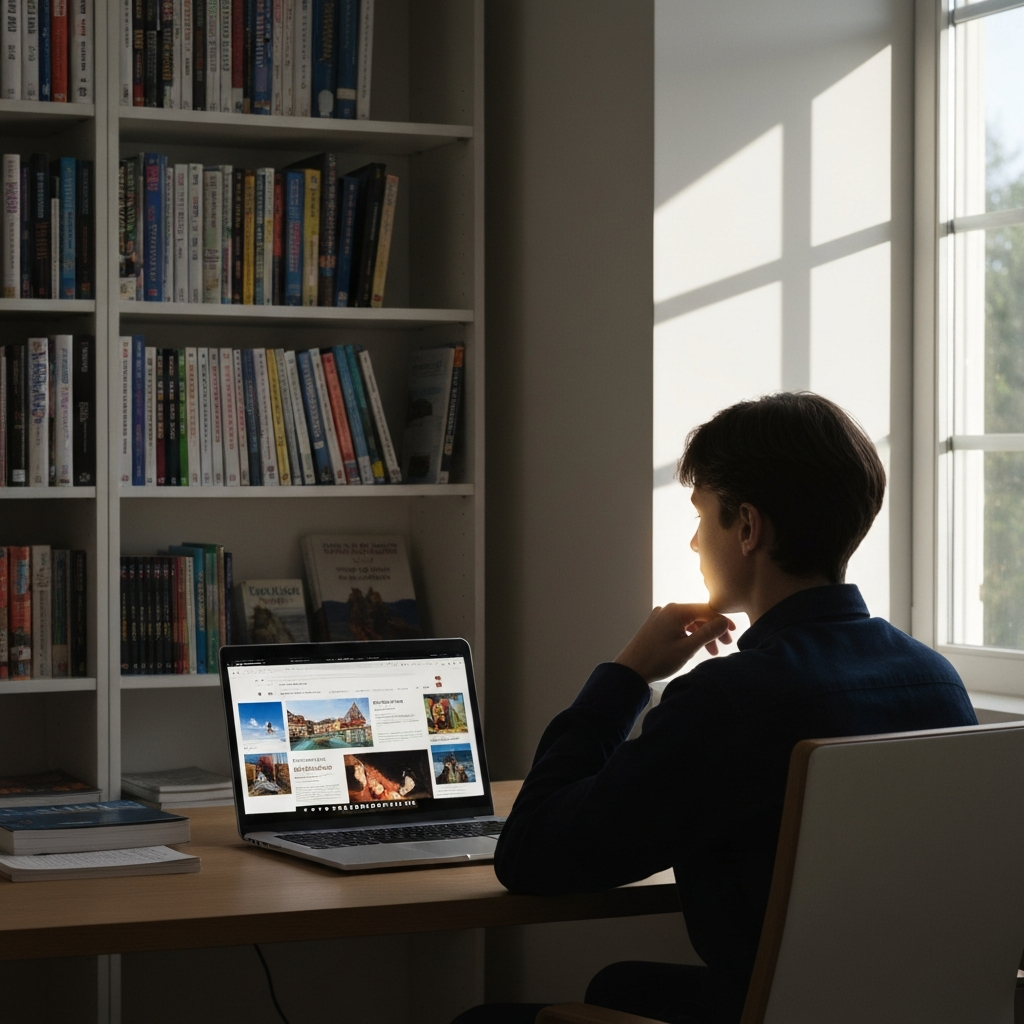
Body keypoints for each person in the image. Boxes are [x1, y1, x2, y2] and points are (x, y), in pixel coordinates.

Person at [453, 393, 976, 1024]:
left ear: (749, 528)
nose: (696, 540)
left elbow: (533, 855)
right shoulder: (936, 680)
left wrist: (626, 674)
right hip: (885, 1010)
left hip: (768, 1011)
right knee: (618, 984)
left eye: (703, 516)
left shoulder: (732, 699)